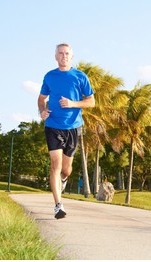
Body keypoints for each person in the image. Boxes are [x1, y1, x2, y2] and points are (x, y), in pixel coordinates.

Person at [38, 43, 95, 219]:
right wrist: (42, 111)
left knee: (66, 169)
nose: (64, 56)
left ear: (71, 56)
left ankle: (63, 179)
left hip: (72, 127)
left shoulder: (80, 76)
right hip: (53, 125)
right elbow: (41, 98)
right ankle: (58, 205)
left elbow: (91, 102)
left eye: (67, 53)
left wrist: (72, 103)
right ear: (56, 56)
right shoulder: (49, 76)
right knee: (55, 165)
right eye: (61, 53)